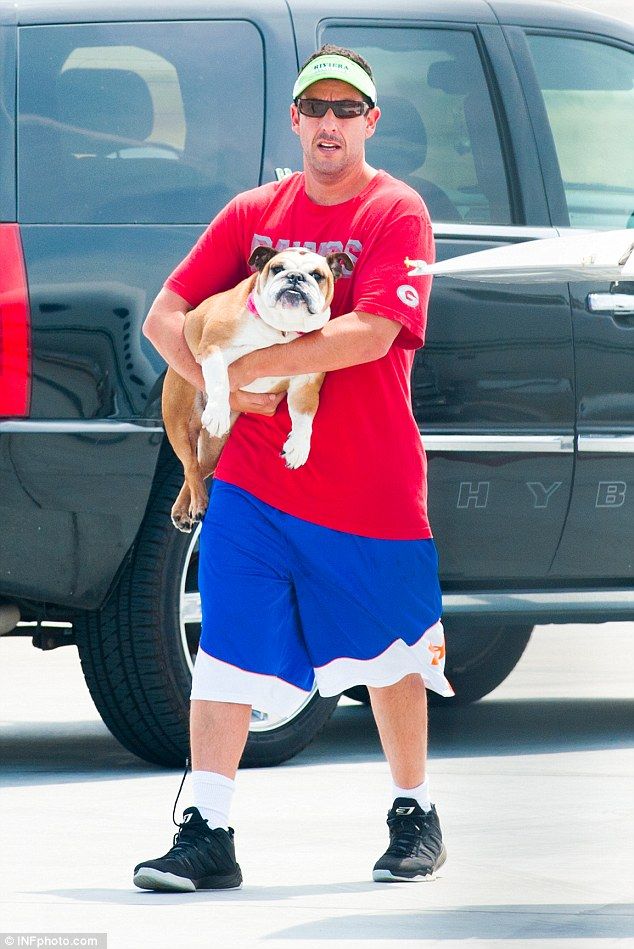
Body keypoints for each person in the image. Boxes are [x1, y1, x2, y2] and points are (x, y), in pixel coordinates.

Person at [134, 44, 453, 893]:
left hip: (368, 481)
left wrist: (243, 371)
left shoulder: (397, 211)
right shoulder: (252, 214)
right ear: (296, 120)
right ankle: (207, 829)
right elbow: (165, 316)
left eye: (349, 111)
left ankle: (413, 810)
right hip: (253, 481)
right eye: (318, 109)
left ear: (370, 123)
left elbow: (375, 330)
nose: (331, 125)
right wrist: (221, 380)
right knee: (227, 651)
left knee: (392, 655)